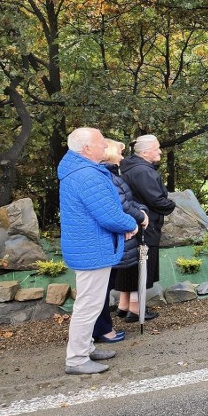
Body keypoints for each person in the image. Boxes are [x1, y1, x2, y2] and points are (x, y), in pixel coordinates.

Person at [58, 128, 138, 374]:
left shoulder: (78, 170)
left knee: (89, 303)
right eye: (101, 142)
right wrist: (131, 224)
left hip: (89, 246)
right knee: (88, 305)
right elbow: (109, 215)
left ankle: (87, 347)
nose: (105, 146)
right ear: (86, 149)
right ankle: (77, 359)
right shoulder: (87, 175)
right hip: (92, 249)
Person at [94, 139, 149, 342]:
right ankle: (101, 330)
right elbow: (119, 207)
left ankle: (103, 328)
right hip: (113, 240)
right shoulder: (106, 177)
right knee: (102, 289)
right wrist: (136, 220)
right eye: (119, 151)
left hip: (117, 238)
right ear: (107, 153)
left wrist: (141, 211)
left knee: (105, 287)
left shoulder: (111, 175)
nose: (123, 156)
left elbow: (127, 203)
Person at [120, 134, 176, 322]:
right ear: (144, 152)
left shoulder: (131, 167)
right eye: (156, 148)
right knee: (141, 263)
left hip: (134, 221)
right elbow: (156, 199)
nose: (160, 151)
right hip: (145, 223)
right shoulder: (143, 172)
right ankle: (136, 309)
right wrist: (170, 205)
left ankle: (124, 305)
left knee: (132, 261)